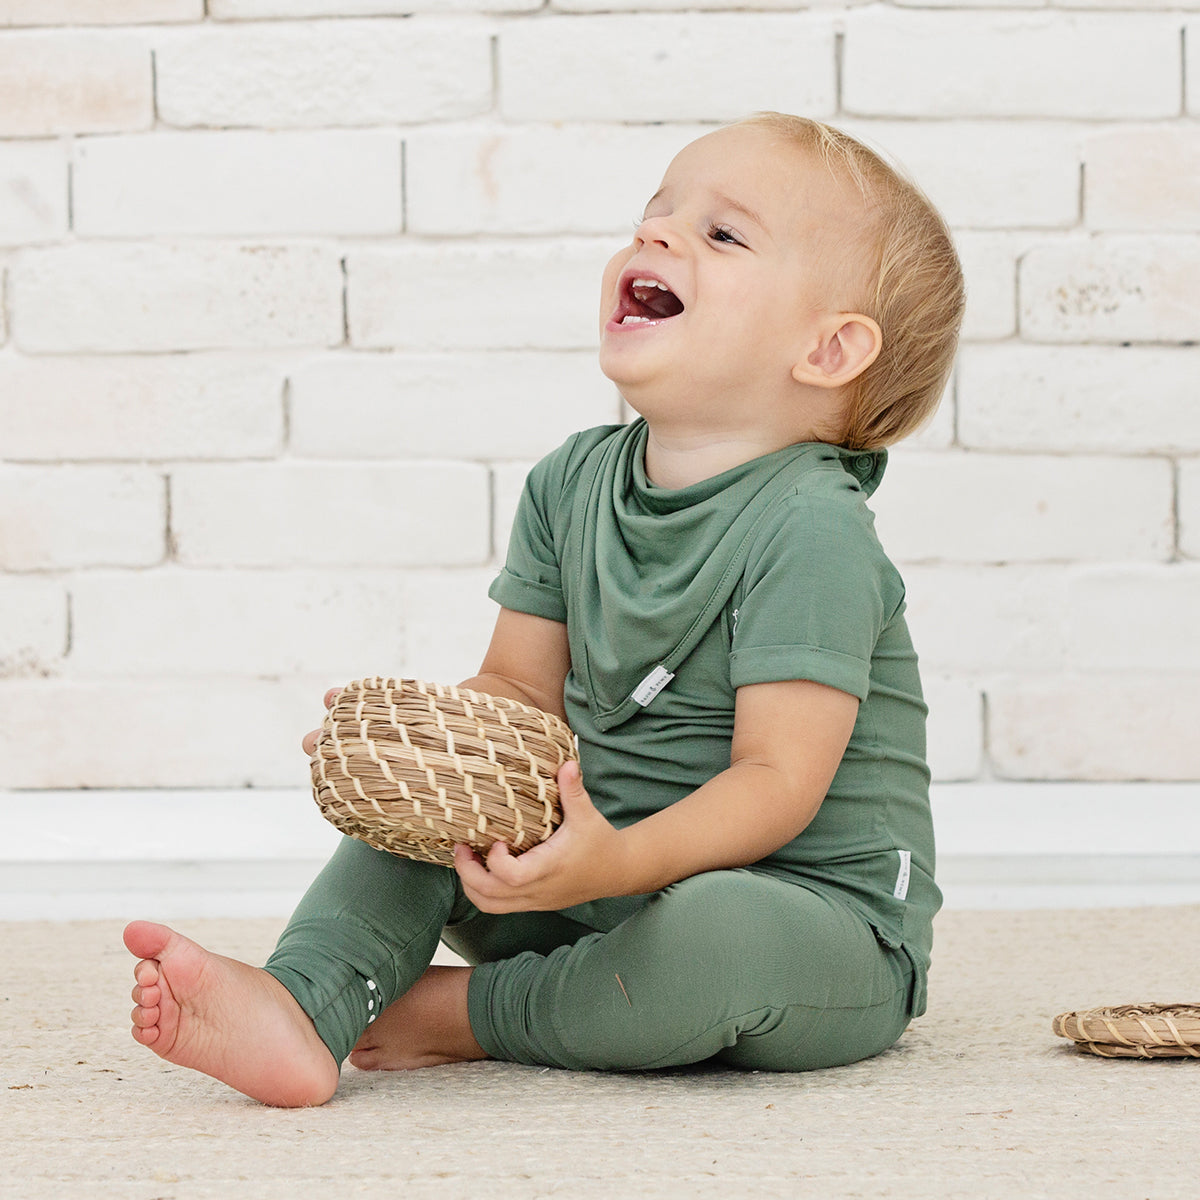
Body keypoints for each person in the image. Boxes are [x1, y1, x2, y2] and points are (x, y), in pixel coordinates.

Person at [124, 112, 965, 1108]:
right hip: (593, 884)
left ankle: (456, 1012)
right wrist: (426, 749)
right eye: (656, 215)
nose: (657, 237)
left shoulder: (812, 531)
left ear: (827, 351)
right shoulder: (572, 483)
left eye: (722, 234)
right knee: (425, 822)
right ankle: (305, 1003)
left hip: (809, 924)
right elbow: (519, 692)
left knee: (712, 941)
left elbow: (777, 783)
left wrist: (614, 858)